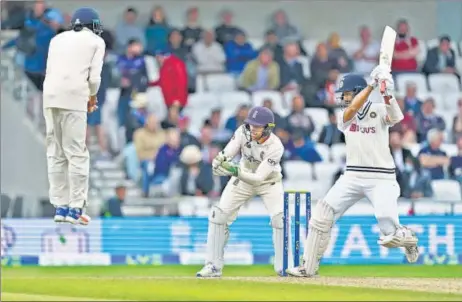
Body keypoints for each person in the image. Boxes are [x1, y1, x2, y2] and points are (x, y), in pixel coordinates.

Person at [286, 67, 419, 277]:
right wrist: (372, 86)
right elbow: (351, 111)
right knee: (321, 216)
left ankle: (407, 238)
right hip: (353, 175)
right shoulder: (343, 115)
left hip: (381, 176)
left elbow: (395, 117)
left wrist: (386, 92)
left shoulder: (378, 109)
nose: (344, 98)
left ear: (356, 92)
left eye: (347, 94)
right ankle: (308, 268)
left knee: (387, 229)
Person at [196, 106, 292, 277]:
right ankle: (213, 266)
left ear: (268, 127)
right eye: (251, 124)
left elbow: (258, 178)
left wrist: (233, 171)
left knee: (280, 219)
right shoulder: (243, 131)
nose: (252, 129)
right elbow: (228, 151)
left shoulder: (276, 146)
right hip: (242, 180)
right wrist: (219, 160)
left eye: (257, 126)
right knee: (219, 215)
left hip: (268, 181)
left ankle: (285, 266)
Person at [42, 7, 105, 225]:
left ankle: (60, 206)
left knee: (56, 152)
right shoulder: (96, 42)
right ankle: (76, 208)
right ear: (92, 26)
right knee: (77, 153)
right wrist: (92, 97)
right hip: (73, 97)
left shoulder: (56, 39)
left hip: (50, 96)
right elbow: (94, 79)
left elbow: (51, 69)